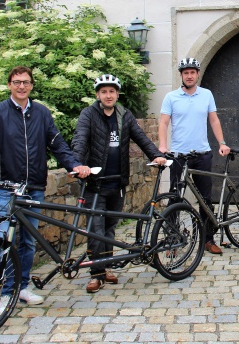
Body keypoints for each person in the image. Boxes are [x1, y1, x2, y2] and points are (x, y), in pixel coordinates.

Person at [0, 66, 89, 316]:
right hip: (7, 188)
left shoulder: (41, 113)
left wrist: (74, 164)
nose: (21, 86)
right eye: (16, 82)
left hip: (34, 187)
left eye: (25, 82)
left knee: (27, 241)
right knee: (5, 240)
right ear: (9, 85)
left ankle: (21, 286)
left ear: (32, 85)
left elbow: (57, 143)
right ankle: (6, 293)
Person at [72, 74, 166, 293]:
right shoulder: (88, 114)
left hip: (118, 183)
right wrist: (77, 164)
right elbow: (80, 139)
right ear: (98, 95)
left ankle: (106, 268)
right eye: (104, 92)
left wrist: (155, 155)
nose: (108, 95)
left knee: (109, 228)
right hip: (95, 184)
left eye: (112, 91)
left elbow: (140, 138)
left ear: (117, 94)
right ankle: (96, 274)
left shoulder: (124, 114)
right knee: (95, 230)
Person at [158, 57, 230, 255]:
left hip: (202, 154)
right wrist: (163, 146)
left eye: (192, 72)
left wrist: (222, 143)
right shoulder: (171, 97)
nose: (189, 76)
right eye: (185, 73)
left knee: (205, 199)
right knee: (175, 198)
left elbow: (214, 120)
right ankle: (173, 240)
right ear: (181, 75)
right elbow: (164, 123)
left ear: (197, 74)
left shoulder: (206, 95)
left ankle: (208, 239)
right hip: (178, 155)